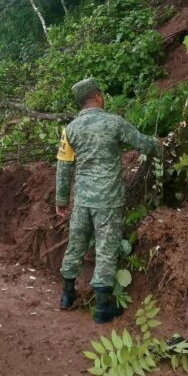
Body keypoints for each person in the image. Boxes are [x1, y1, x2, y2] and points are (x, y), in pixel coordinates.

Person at [55, 78, 159, 324]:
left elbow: (64, 167)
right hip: (109, 200)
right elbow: (143, 143)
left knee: (76, 244)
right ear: (98, 97)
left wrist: (61, 200)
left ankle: (67, 296)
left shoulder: (69, 130)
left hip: (82, 200)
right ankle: (102, 308)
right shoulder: (114, 123)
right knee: (106, 248)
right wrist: (161, 145)